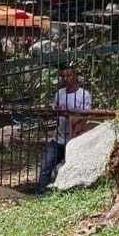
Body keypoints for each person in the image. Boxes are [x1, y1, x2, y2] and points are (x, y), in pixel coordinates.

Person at [35, 65, 92, 194]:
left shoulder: (83, 94)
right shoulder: (59, 94)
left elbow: (85, 116)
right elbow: (54, 111)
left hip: (75, 139)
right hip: (58, 138)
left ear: (75, 76)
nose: (66, 79)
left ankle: (72, 192)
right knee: (45, 167)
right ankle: (41, 194)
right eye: (63, 76)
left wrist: (68, 115)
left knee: (72, 168)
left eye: (69, 75)